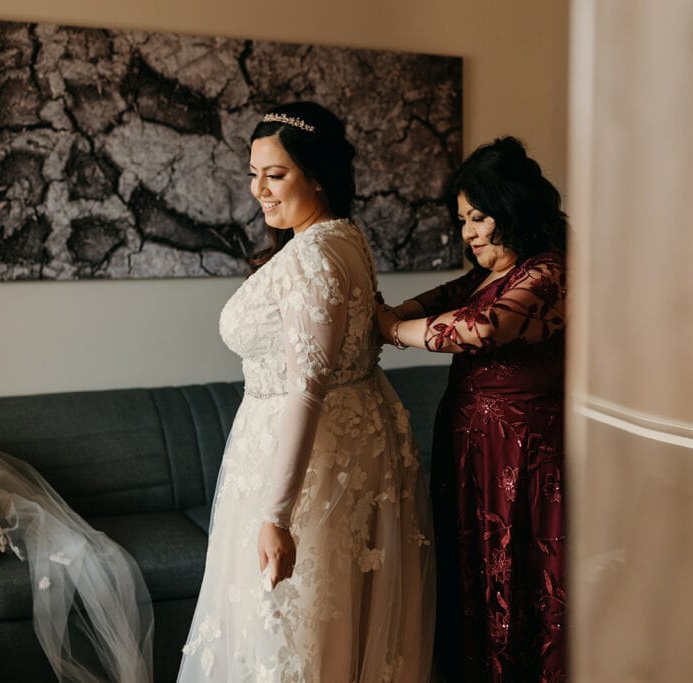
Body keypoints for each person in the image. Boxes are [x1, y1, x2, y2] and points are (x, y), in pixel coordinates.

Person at [177, 102, 434, 682]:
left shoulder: (314, 257)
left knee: (294, 628)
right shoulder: (345, 238)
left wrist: (275, 515)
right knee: (323, 625)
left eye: (276, 174)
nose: (259, 190)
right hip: (340, 446)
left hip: (310, 465)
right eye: (253, 172)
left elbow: (307, 391)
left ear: (316, 175)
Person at [375, 136, 568, 682]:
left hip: (523, 457)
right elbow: (441, 299)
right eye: (462, 221)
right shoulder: (491, 272)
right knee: (473, 578)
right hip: (473, 451)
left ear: (512, 208)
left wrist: (389, 329)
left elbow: (479, 327)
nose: (468, 234)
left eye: (478, 217)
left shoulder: (548, 273)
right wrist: (383, 311)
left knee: (521, 578)